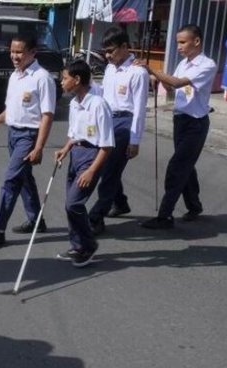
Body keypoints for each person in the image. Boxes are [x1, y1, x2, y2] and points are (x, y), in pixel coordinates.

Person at [135, 24, 218, 229]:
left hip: (195, 123)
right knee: (185, 165)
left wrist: (153, 69)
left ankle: (165, 215)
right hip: (180, 120)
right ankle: (194, 205)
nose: (179, 47)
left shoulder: (206, 64)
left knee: (177, 166)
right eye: (177, 43)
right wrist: (159, 81)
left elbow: (180, 83)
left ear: (196, 41)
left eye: (183, 42)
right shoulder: (184, 64)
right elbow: (173, 89)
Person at [0, 34, 56, 250]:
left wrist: (39, 147)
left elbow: (47, 115)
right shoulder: (15, 76)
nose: (14, 56)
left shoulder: (42, 78)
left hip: (29, 136)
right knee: (24, 179)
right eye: (12, 51)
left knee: (10, 181)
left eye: (19, 52)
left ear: (33, 52)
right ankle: (36, 220)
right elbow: (11, 108)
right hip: (12, 133)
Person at [87, 27, 149, 234]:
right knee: (107, 167)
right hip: (107, 121)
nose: (108, 55)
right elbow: (103, 95)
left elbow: (139, 108)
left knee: (109, 172)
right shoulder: (110, 68)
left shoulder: (137, 72)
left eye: (111, 51)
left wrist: (135, 140)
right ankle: (120, 202)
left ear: (124, 47)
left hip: (125, 123)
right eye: (105, 51)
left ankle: (96, 216)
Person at [54, 60, 114, 267]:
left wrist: (91, 171)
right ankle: (77, 245)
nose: (62, 82)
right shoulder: (74, 103)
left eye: (65, 78)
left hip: (91, 156)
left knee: (74, 203)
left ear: (77, 79)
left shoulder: (98, 105)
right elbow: (74, 134)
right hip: (76, 154)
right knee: (70, 205)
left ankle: (88, 245)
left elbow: (107, 145)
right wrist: (65, 148)